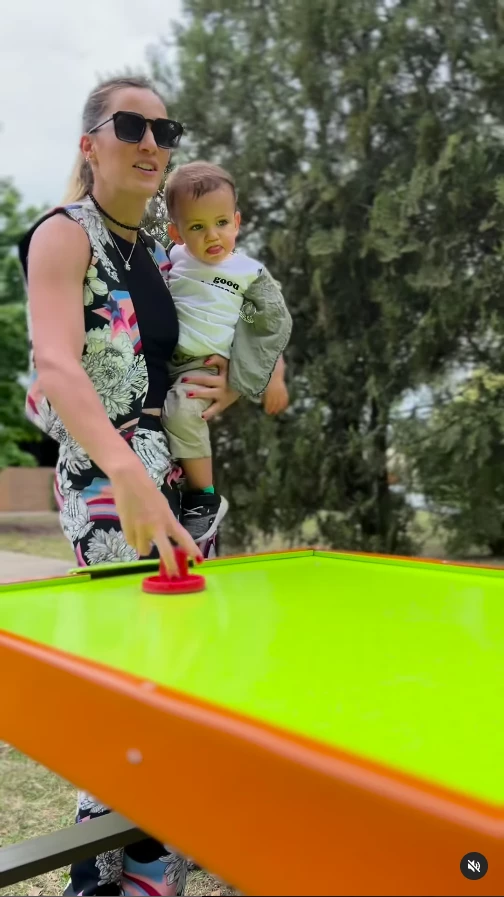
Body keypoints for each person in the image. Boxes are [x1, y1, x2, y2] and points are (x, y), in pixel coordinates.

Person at [18, 75, 239, 897]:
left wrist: (223, 388)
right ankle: (104, 879)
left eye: (165, 127)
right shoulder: (64, 234)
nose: (153, 140)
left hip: (173, 475)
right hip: (110, 479)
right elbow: (56, 365)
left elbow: (172, 364)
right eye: (131, 124)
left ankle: (146, 875)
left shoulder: (153, 251)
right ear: (90, 144)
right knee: (135, 685)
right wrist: (125, 473)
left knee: (172, 684)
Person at [160, 161, 292, 543]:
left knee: (183, 410)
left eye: (221, 222)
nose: (212, 235)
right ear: (177, 232)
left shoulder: (247, 272)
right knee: (171, 412)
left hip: (203, 365)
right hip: (166, 360)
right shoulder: (174, 259)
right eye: (197, 227)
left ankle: (204, 498)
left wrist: (273, 378)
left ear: (237, 221)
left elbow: (269, 327)